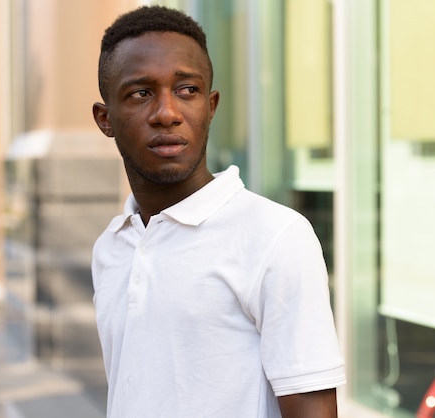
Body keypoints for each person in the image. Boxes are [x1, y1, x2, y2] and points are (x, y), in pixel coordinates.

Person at [90, 5, 345, 418]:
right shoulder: (112, 247)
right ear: (106, 119)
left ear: (211, 106)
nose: (167, 113)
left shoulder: (275, 237)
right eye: (141, 93)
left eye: (187, 90)